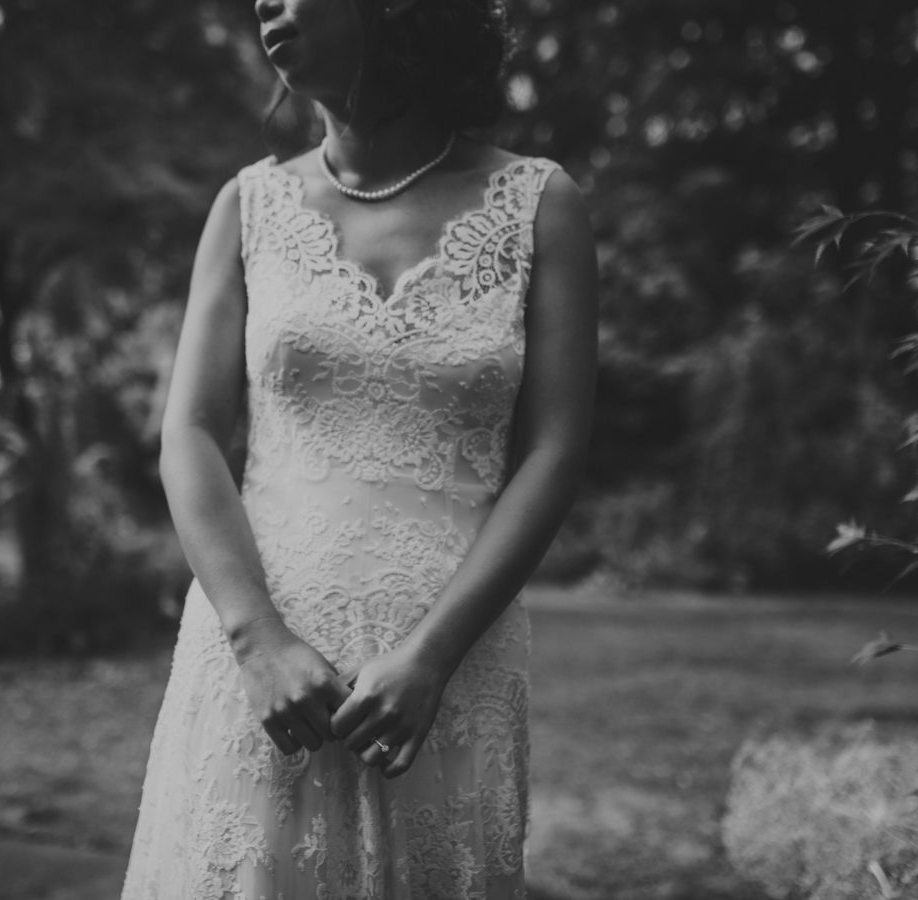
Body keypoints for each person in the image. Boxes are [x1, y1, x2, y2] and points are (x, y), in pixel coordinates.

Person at [121, 0, 597, 895]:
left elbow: (555, 450)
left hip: (449, 677)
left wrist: (432, 656)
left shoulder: (541, 204)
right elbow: (187, 433)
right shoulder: (246, 207)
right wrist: (255, 638)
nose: (266, 2)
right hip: (258, 674)